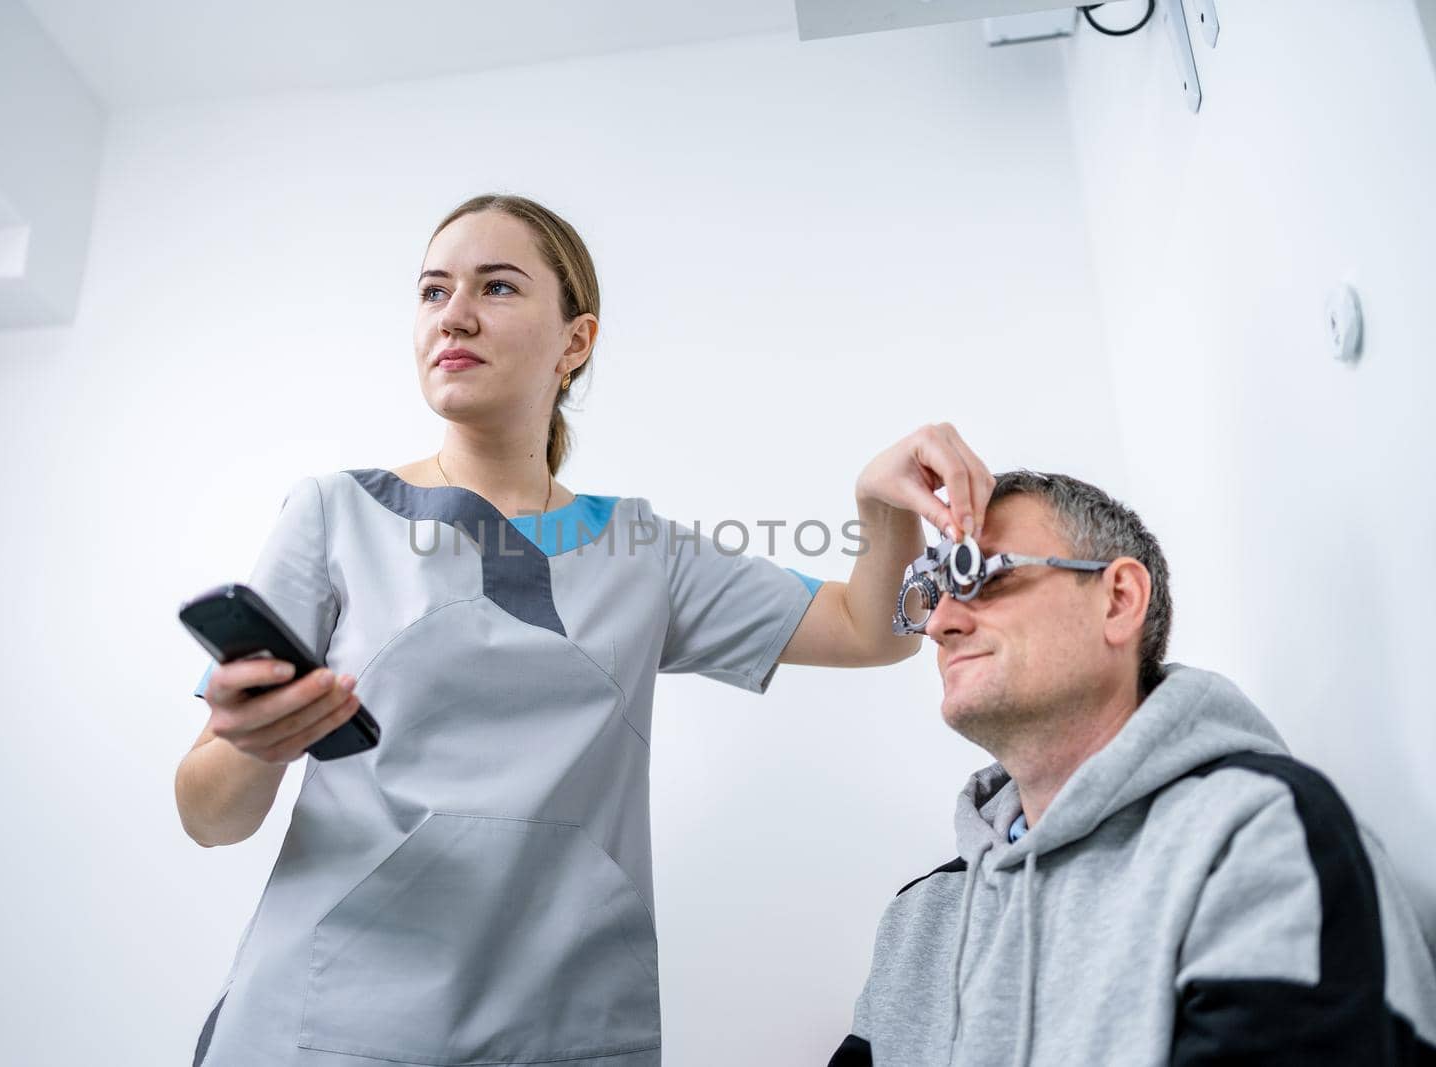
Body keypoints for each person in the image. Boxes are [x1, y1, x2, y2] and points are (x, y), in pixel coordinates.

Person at [174, 192, 996, 1066]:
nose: (454, 314)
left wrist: (876, 504)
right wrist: (254, 743)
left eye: (496, 287)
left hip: (564, 1026)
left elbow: (872, 629)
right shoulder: (335, 513)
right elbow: (209, 816)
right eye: (431, 291)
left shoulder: (640, 549)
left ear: (576, 341)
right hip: (330, 1022)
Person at [828, 471, 1436, 1066]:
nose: (940, 624)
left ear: (1119, 601)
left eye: (984, 574)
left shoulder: (1257, 835)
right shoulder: (921, 919)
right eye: (937, 591)